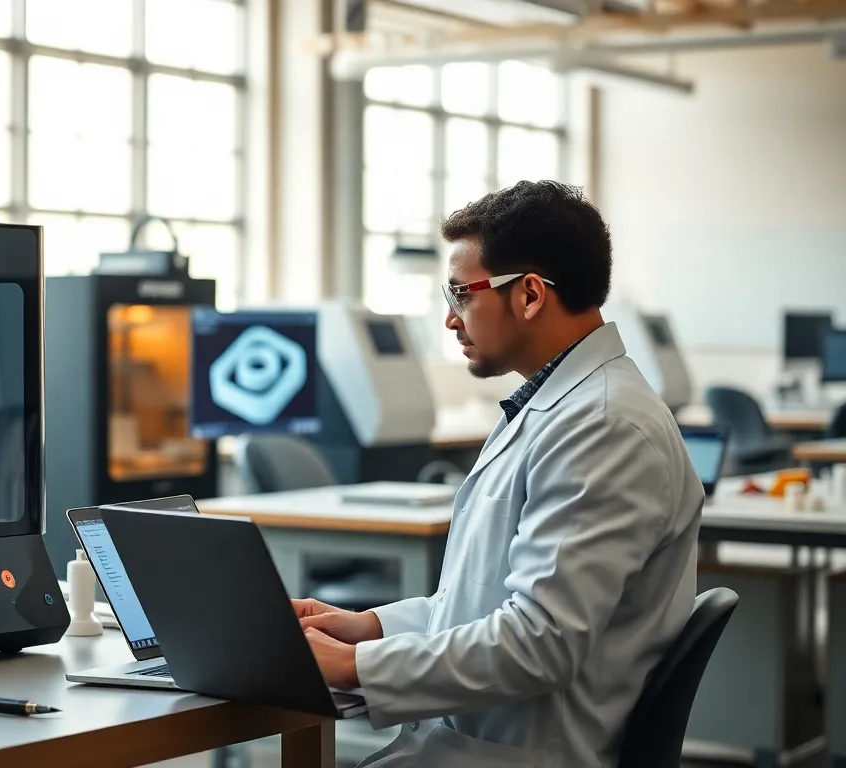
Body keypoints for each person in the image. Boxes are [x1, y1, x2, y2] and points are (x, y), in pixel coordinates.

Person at [296, 181, 703, 767]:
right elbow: (482, 608)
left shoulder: (604, 426)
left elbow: (539, 643)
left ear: (531, 294)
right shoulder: (560, 407)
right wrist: (368, 628)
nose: (449, 319)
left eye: (461, 294)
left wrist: (352, 667)